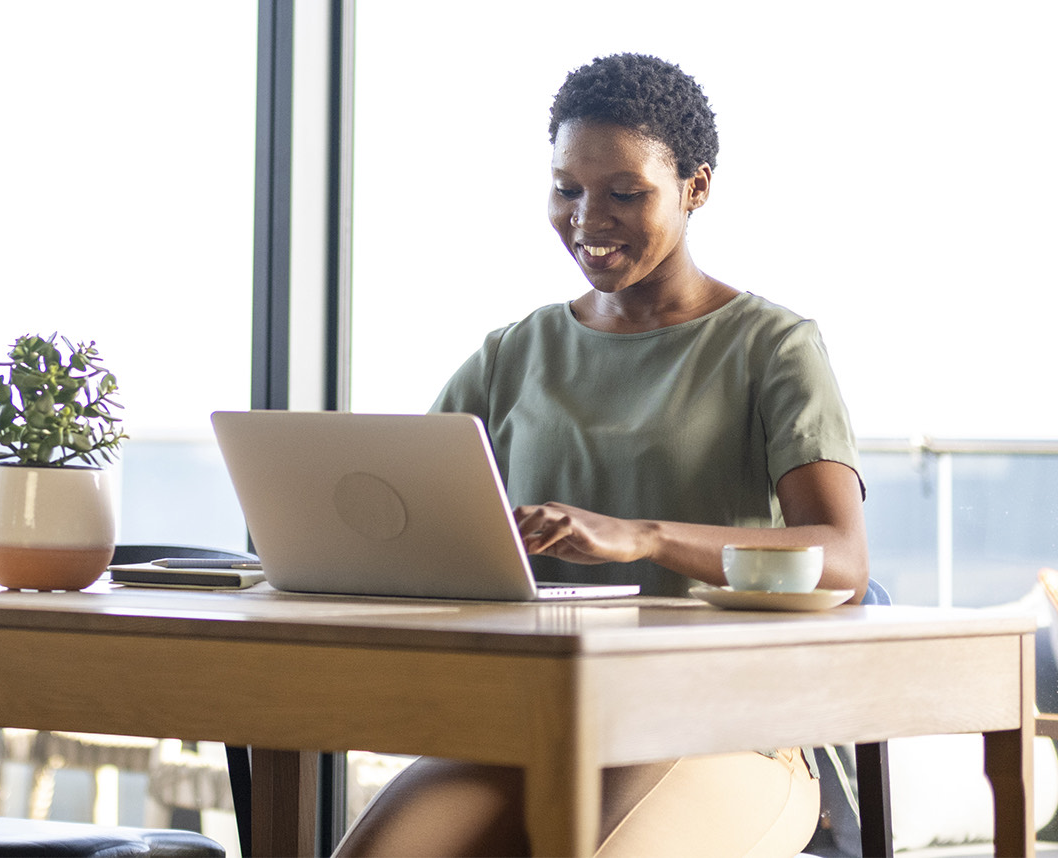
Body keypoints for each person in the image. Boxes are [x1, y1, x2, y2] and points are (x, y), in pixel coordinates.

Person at [332, 53, 869, 858]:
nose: (589, 218)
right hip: (536, 720)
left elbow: (840, 559)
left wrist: (645, 536)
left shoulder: (773, 347)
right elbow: (405, 522)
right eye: (567, 190)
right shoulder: (514, 353)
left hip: (731, 724)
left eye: (626, 193)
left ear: (697, 188)